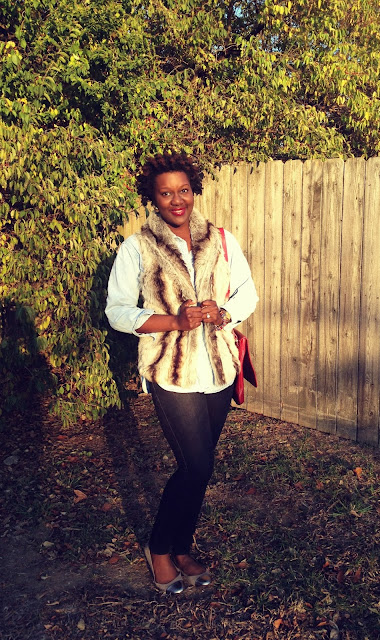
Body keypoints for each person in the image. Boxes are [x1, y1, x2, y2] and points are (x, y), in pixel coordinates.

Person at [105, 151, 258, 593]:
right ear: (153, 199)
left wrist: (223, 311)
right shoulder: (137, 247)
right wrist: (174, 320)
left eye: (184, 190)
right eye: (166, 193)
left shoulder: (222, 240)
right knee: (196, 464)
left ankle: (182, 546)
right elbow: (117, 311)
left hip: (219, 367)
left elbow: (247, 292)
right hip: (171, 372)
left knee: (200, 468)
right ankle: (159, 549)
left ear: (194, 191)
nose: (177, 200)